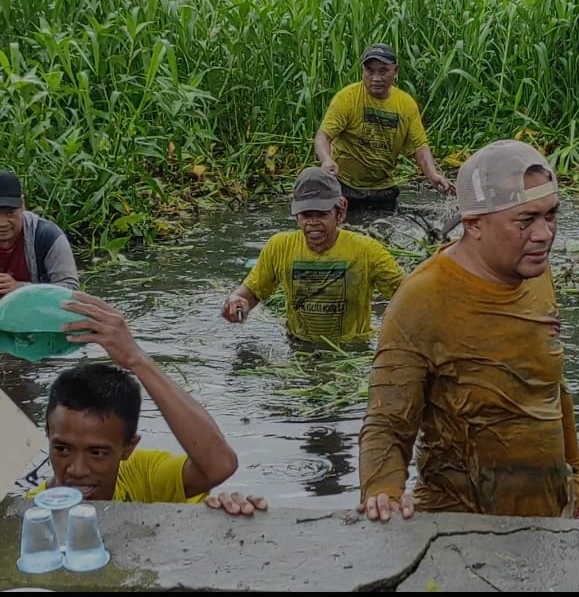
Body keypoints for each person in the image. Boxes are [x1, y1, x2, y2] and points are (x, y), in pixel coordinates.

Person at [358, 139, 579, 522]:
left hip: (549, 515)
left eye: (551, 215)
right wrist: (383, 492)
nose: (545, 234)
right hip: (460, 523)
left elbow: (553, 388)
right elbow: (387, 422)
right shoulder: (422, 298)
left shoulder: (536, 272)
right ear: (474, 225)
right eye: (526, 220)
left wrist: (576, 479)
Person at [25, 291, 264, 516]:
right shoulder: (32, 511)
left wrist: (135, 357)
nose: (77, 470)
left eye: (97, 452)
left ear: (128, 448)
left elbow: (219, 465)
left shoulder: (142, 475)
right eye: (62, 449)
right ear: (47, 434)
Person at [221, 167, 404, 347]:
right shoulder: (280, 246)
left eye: (322, 214)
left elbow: (406, 294)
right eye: (307, 215)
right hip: (298, 347)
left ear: (340, 213)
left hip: (351, 350)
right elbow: (251, 292)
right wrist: (237, 303)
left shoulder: (367, 250)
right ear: (297, 216)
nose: (313, 223)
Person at [314, 43, 454, 211]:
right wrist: (326, 159)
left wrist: (433, 175)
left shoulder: (406, 105)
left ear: (395, 71)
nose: (376, 78)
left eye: (383, 71)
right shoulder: (347, 98)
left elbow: (419, 147)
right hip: (343, 186)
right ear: (363, 71)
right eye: (370, 71)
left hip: (383, 189)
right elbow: (323, 136)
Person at [0, 170, 79, 296]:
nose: (2, 223)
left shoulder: (48, 237)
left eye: (10, 213)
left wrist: (20, 288)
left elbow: (70, 289)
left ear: (22, 204)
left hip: (39, 311)